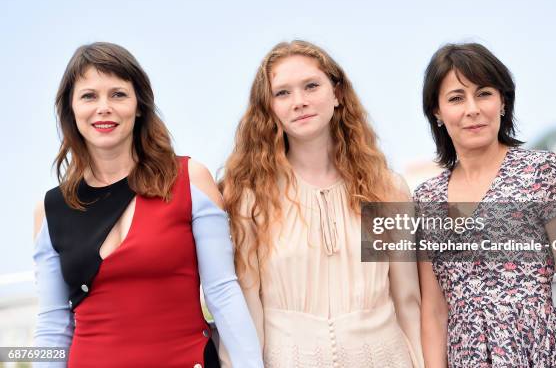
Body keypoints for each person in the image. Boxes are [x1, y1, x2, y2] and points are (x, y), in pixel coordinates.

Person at [33, 42, 263, 368]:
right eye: (88, 96)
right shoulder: (50, 210)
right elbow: (52, 325)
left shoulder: (190, 180)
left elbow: (223, 292)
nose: (103, 107)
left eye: (118, 94)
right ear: (71, 109)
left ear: (139, 105)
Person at [220, 40, 424, 367]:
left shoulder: (386, 190)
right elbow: (248, 313)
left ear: (337, 93)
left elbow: (408, 301)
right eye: (282, 93)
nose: (299, 102)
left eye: (311, 86)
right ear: (268, 107)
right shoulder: (251, 197)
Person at [415, 42, 556, 367]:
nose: (472, 109)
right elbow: (433, 309)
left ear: (502, 102)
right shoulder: (426, 199)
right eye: (456, 98)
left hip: (536, 349)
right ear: (437, 112)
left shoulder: (546, 170)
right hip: (465, 356)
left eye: (484, 93)